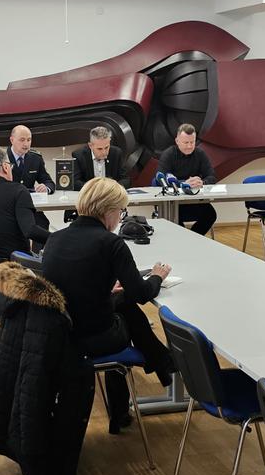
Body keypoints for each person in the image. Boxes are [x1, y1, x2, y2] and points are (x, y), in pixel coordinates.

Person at [41, 178, 175, 434]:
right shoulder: (111, 243)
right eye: (121, 211)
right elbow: (141, 294)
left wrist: (102, 286)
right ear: (108, 210)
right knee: (128, 309)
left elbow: (71, 279)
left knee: (122, 303)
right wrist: (158, 276)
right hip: (92, 337)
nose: (120, 218)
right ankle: (161, 364)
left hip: (61, 331)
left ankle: (157, 367)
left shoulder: (55, 238)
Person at [157, 123, 217, 235]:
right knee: (173, 218)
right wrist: (184, 183)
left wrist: (202, 182)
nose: (189, 146)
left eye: (192, 142)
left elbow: (212, 176)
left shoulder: (200, 154)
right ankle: (185, 240)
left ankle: (194, 239)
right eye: (186, 142)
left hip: (194, 199)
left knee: (210, 215)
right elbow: (161, 180)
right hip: (173, 202)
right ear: (177, 141)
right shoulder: (168, 154)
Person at [8, 124, 55, 232]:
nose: (26, 144)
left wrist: (46, 188)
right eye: (22, 140)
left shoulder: (35, 158)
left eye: (29, 140)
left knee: (43, 224)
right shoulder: (2, 157)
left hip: (29, 206)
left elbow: (49, 182)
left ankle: (41, 245)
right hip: (10, 207)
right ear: (12, 140)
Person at [72, 126, 130, 190]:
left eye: (106, 147)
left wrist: (113, 189)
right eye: (99, 149)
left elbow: (126, 179)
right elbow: (75, 182)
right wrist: (96, 189)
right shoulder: (79, 156)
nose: (104, 152)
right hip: (90, 194)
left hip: (111, 193)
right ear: (90, 146)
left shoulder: (117, 153)